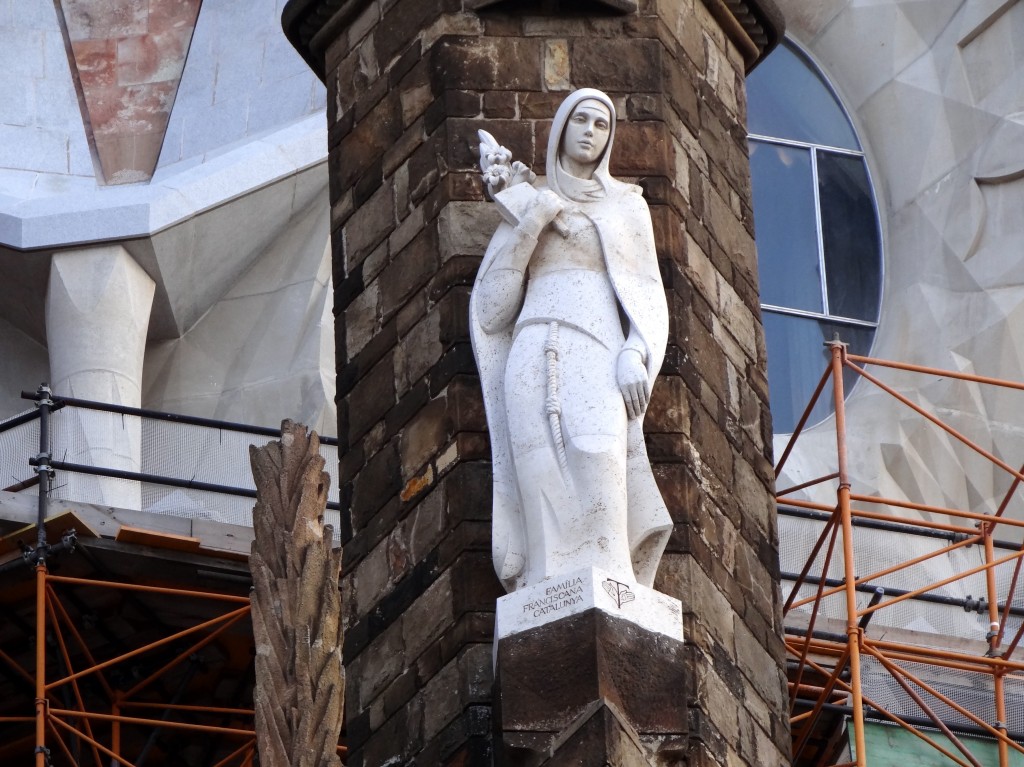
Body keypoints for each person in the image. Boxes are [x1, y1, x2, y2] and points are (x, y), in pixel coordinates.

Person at [470, 88, 672, 592]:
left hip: (599, 350)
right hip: (532, 346)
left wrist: (635, 352)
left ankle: (612, 583)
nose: (590, 131)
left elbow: (646, 293)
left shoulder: (627, 206)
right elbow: (493, 314)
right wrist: (532, 222)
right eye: (580, 120)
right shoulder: (528, 203)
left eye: (601, 124)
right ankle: (542, 587)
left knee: (600, 456)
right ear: (561, 129)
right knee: (537, 467)